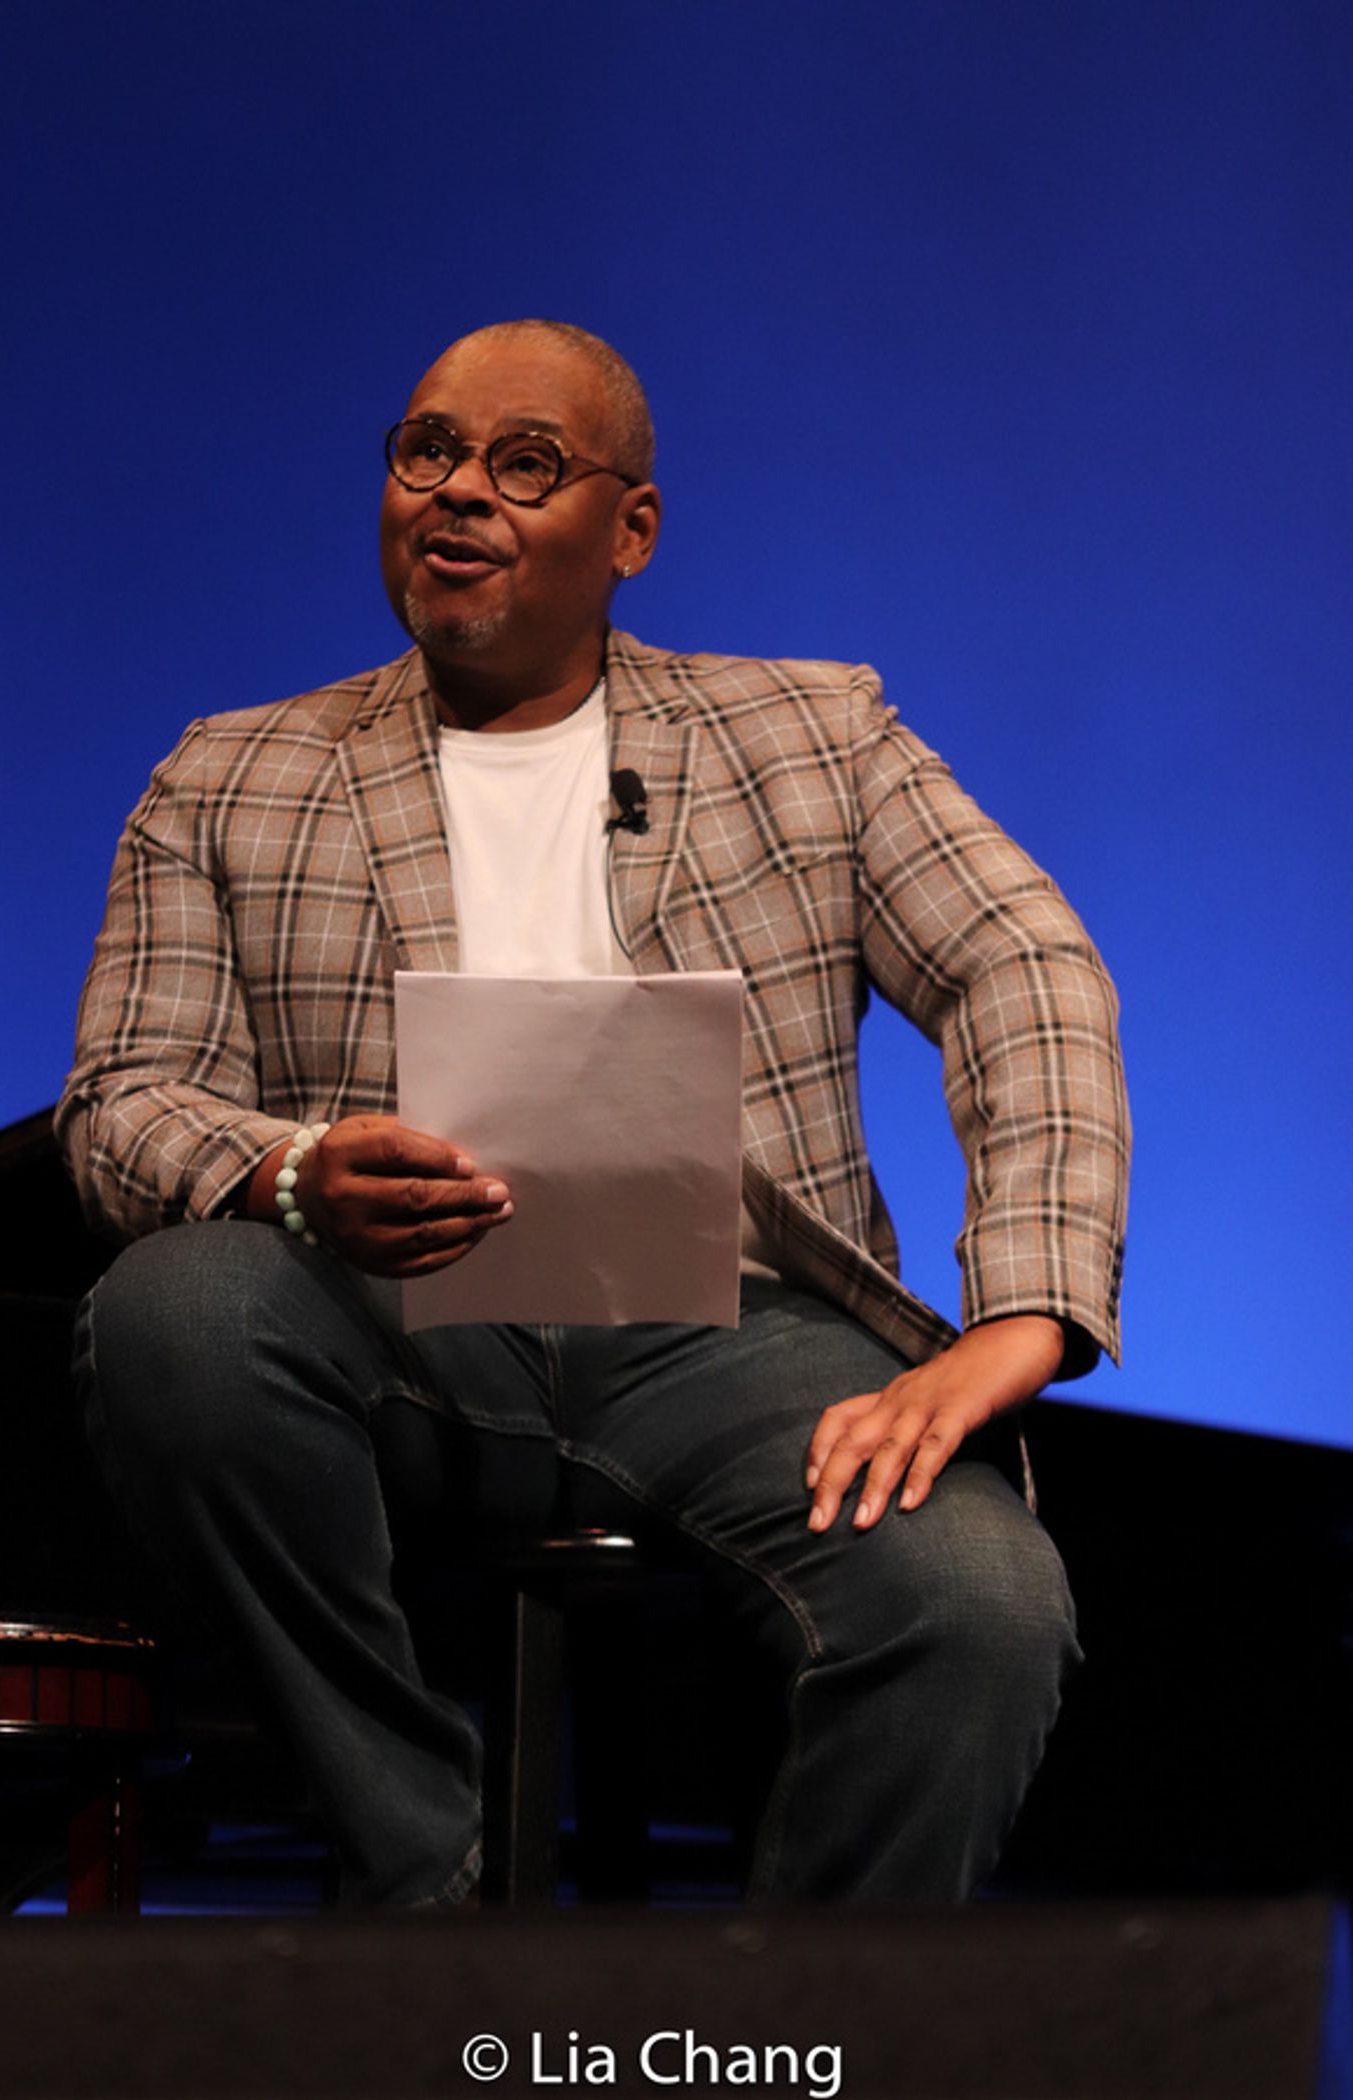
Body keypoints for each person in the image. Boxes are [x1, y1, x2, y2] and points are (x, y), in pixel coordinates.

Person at [57, 320, 1129, 1907]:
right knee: (173, 1318)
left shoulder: (812, 736)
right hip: (390, 1323)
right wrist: (289, 1173)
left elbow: (1024, 969)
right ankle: (430, 1893)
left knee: (974, 1602)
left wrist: (1024, 1315)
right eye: (428, 452)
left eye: (526, 464)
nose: (461, 495)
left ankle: (800, 2039)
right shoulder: (229, 779)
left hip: (732, 1333)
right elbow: (117, 1102)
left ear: (630, 531)